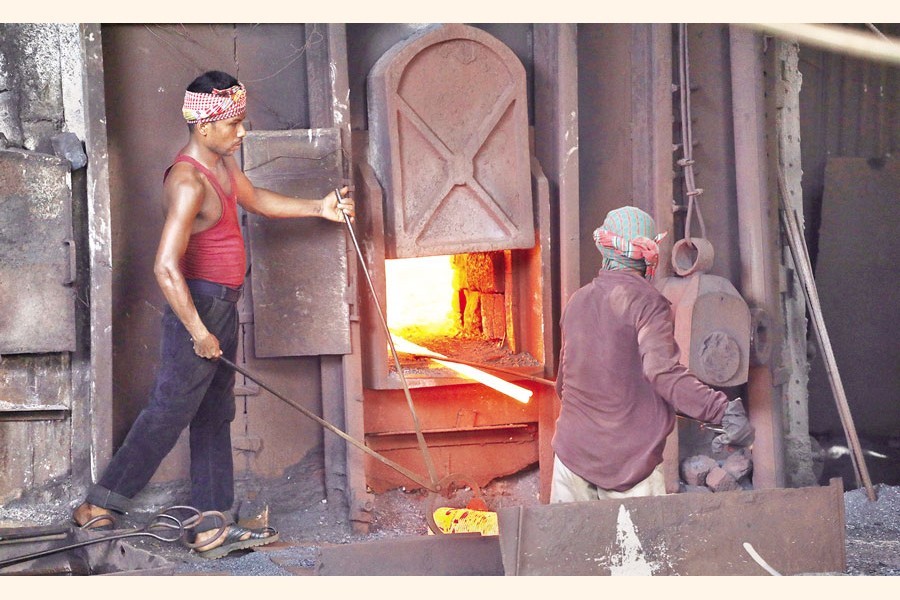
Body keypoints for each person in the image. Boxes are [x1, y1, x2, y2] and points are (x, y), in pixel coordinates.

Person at [72, 70, 355, 558]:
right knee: (168, 411)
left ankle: (210, 523)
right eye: (233, 124)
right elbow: (165, 267)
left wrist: (319, 208)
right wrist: (199, 331)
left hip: (221, 304)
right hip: (198, 308)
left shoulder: (222, 165)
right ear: (205, 127)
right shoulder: (188, 182)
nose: (242, 132)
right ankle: (98, 505)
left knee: (214, 412)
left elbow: (256, 199)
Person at [550, 205, 752, 503]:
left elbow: (562, 386)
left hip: (571, 458)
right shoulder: (646, 303)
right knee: (639, 537)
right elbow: (664, 374)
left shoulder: (577, 301)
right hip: (627, 467)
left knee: (565, 536)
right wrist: (722, 411)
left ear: (605, 248)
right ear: (649, 255)